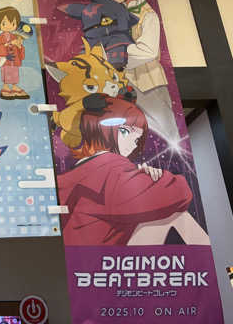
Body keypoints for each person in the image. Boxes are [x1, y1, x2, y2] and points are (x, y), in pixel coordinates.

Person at [58, 95, 209, 246]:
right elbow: (179, 193)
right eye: (125, 132)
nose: (133, 144)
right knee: (175, 213)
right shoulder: (109, 166)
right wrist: (159, 178)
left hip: (75, 254)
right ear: (101, 129)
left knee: (163, 212)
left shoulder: (82, 169)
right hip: (100, 255)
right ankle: (206, 257)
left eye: (137, 139)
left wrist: (142, 177)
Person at [87, 0, 181, 144]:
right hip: (121, 82)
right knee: (126, 129)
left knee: (164, 129)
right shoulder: (113, 13)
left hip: (148, 81)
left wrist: (116, 53)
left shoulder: (148, 15)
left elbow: (148, 51)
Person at [0, 6, 29, 99]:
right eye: (4, 23)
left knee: (14, 72)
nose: (9, 26)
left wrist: (19, 46)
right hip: (6, 60)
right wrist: (8, 44)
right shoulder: (0, 37)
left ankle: (14, 86)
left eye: (13, 23)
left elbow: (20, 52)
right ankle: (5, 87)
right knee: (6, 73)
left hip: (14, 60)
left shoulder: (15, 36)